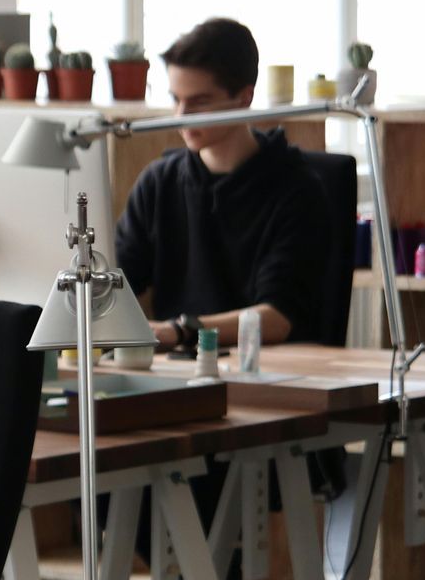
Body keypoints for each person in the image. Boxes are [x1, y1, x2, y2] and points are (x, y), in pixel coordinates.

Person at [114, 17, 330, 353]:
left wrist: (180, 331)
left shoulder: (298, 189)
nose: (181, 116)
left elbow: (277, 317)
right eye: (176, 99)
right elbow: (116, 283)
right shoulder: (158, 183)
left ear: (244, 97)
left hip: (270, 374)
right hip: (175, 372)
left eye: (199, 101)